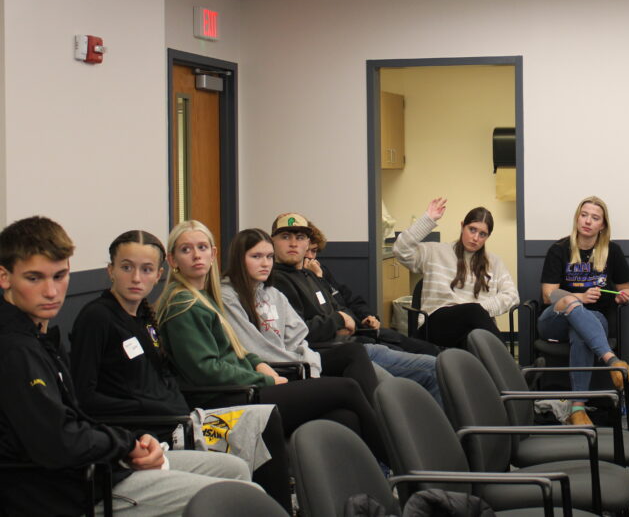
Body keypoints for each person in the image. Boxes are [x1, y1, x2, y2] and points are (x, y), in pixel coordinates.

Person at [0, 216, 255, 516]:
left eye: (59, 276)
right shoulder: (16, 349)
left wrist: (130, 443)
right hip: (74, 488)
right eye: (34, 278)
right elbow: (58, 440)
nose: (52, 291)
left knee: (236, 470)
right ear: (5, 277)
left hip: (113, 458)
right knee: (242, 499)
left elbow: (75, 417)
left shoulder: (42, 337)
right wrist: (125, 444)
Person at [70, 230, 292, 510]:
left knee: (252, 444)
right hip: (149, 435)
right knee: (246, 480)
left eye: (146, 269)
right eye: (126, 268)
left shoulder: (143, 318)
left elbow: (163, 378)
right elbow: (83, 398)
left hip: (180, 421)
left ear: (159, 273)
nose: (136, 278)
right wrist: (149, 410)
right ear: (110, 270)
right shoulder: (97, 318)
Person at [155, 219, 389, 463]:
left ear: (213, 254)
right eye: (186, 250)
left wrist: (258, 364)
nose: (196, 256)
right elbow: (206, 370)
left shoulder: (205, 297)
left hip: (254, 383)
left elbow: (240, 349)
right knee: (347, 388)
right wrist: (265, 377)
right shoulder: (184, 304)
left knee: (345, 416)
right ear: (172, 260)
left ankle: (358, 484)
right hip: (232, 398)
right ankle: (399, 462)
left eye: (202, 248)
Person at [269, 212, 441, 402]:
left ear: (308, 242)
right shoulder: (276, 282)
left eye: (300, 238)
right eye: (285, 237)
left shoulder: (311, 275)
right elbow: (300, 333)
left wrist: (348, 318)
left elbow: (339, 306)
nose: (293, 243)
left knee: (437, 364)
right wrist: (339, 320)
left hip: (357, 341)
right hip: (337, 353)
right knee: (429, 375)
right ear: (273, 241)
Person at [220, 228, 380, 402]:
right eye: (256, 256)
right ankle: (383, 424)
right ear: (239, 260)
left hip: (298, 363)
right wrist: (302, 368)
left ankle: (382, 423)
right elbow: (253, 348)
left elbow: (297, 335)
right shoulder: (228, 296)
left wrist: (310, 366)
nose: (265, 263)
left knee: (354, 359)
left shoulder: (273, 292)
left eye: (269, 257)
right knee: (349, 388)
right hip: (275, 371)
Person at [538, 195, 629, 426]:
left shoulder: (613, 251)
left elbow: (627, 289)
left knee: (581, 331)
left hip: (594, 320)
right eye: (584, 215)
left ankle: (578, 409)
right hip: (555, 320)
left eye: (595, 217)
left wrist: (624, 297)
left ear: (602, 225)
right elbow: (548, 294)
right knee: (572, 304)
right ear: (577, 218)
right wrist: (579, 297)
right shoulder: (559, 249)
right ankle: (612, 362)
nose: (588, 221)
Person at [394, 198, 519, 349]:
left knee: (474, 340)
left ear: (487, 237)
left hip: (472, 327)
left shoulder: (494, 262)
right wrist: (427, 220)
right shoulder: (435, 252)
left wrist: (481, 309)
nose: (475, 238)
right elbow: (401, 250)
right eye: (472, 229)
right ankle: (511, 367)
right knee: (473, 312)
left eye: (482, 234)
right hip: (436, 326)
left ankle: (501, 369)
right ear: (462, 226)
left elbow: (512, 296)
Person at [306, 221, 438, 355]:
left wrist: (368, 317)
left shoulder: (322, 270)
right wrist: (318, 279)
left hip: (364, 329)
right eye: (307, 251)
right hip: (348, 341)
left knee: (425, 349)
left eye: (314, 251)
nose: (311, 256)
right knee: (413, 358)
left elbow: (351, 299)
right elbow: (326, 311)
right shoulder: (304, 280)